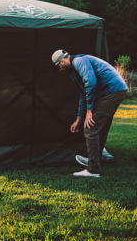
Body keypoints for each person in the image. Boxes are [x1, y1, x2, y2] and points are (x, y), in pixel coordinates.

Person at [51, 49, 128, 178]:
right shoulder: (74, 71)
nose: (59, 68)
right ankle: (95, 158)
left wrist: (89, 111)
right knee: (100, 127)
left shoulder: (79, 61)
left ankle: (93, 170)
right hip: (114, 91)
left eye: (58, 65)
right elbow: (83, 94)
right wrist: (78, 119)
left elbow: (91, 83)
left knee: (90, 128)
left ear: (62, 61)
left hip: (112, 91)